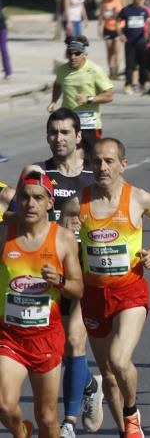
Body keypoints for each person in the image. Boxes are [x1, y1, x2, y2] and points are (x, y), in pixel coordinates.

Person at [78, 138, 150, 438]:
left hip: (130, 291)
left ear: (123, 164)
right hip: (93, 295)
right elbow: (65, 242)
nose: (102, 167)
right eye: (97, 162)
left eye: (109, 161)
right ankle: (126, 431)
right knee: (108, 373)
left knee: (120, 360)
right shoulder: (78, 203)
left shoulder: (138, 198)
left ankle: (132, 411)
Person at [0, 170, 83, 438]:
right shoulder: (5, 234)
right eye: (24, 197)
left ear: (50, 203)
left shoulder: (63, 239)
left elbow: (78, 289)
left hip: (46, 338)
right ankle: (20, 432)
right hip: (9, 337)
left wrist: (59, 280)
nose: (30, 203)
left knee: (47, 418)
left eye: (38, 197)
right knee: (4, 405)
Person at [35, 109, 102, 437]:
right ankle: (88, 384)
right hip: (49, 273)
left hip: (86, 272)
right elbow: (20, 217)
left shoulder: (95, 172)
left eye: (64, 133)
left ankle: (69, 423)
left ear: (78, 136)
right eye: (53, 132)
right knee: (60, 347)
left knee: (76, 340)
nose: (58, 139)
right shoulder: (39, 174)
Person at [48, 36, 115, 152]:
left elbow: (109, 95)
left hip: (89, 123)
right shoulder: (62, 70)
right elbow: (58, 84)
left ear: (84, 54)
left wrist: (89, 99)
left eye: (77, 54)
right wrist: (54, 101)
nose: (73, 57)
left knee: (93, 156)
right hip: (69, 123)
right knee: (69, 156)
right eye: (70, 54)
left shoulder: (94, 70)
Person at [117, 0, 150, 95]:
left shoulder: (144, 10)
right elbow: (117, 21)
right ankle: (128, 85)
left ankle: (142, 84)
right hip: (130, 41)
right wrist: (120, 34)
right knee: (130, 64)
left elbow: (149, 24)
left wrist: (149, 36)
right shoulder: (126, 10)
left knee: (143, 64)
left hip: (141, 41)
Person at [97, 0, 124, 79]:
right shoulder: (105, 1)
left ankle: (116, 71)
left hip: (119, 28)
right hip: (108, 28)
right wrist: (99, 28)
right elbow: (101, 16)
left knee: (117, 51)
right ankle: (111, 70)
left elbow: (125, 11)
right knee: (109, 50)